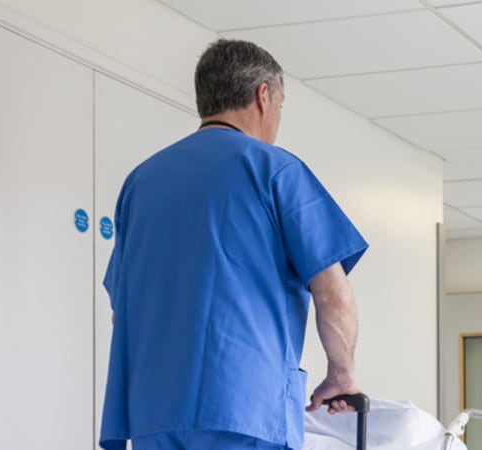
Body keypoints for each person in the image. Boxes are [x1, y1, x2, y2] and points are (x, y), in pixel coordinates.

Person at [99, 39, 369, 450]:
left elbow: (121, 311)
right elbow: (332, 292)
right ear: (264, 96)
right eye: (280, 105)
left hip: (153, 413)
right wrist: (342, 374)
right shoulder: (276, 170)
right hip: (245, 409)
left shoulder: (140, 182)